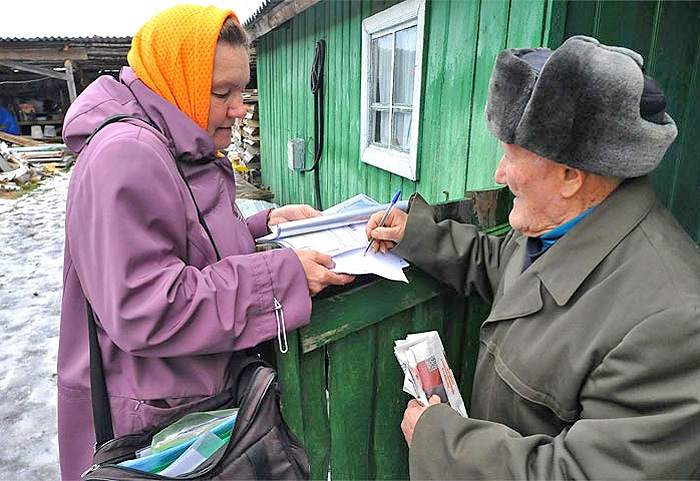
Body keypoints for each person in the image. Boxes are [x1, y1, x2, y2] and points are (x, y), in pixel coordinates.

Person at [367, 36, 700, 479]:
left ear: (569, 176)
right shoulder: (561, 226)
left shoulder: (673, 320)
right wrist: (418, 236)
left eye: (509, 157)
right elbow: (503, 266)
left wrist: (442, 442)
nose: (498, 174)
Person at [58, 6, 353, 480]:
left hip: (183, 406)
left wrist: (266, 224)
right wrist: (279, 276)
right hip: (152, 429)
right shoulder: (127, 155)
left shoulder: (174, 145)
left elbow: (179, 240)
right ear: (177, 81)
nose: (239, 108)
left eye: (241, 89)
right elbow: (146, 305)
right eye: (223, 92)